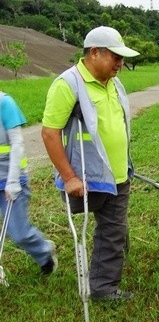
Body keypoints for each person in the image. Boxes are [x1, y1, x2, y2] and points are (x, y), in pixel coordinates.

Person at [41, 26, 139, 301]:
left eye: (122, 57)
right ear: (94, 53)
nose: (120, 63)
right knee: (111, 231)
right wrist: (69, 177)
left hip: (118, 174)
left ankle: (103, 287)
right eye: (115, 56)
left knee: (113, 230)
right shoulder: (68, 84)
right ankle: (104, 281)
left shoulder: (115, 82)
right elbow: (49, 133)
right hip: (87, 175)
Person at [0, 91, 57, 276]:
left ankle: (44, 251)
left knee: (19, 233)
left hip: (10, 179)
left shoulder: (5, 103)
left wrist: (13, 180)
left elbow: (17, 143)